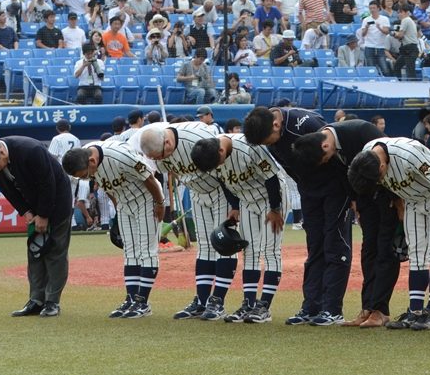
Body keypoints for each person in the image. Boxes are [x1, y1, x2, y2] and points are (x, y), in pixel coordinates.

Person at [243, 105, 347, 325]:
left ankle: (332, 309)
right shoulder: (267, 133)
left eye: (269, 140)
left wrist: (352, 195)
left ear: (276, 124)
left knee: (334, 247)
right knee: (315, 247)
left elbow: (339, 157)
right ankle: (311, 306)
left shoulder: (306, 125)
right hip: (309, 191)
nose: (270, 145)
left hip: (335, 189)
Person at [291, 118, 393, 327]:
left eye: (325, 158)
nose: (327, 161)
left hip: (387, 194)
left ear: (326, 146)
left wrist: (397, 201)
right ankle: (367, 308)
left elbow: (391, 164)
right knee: (369, 251)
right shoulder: (318, 142)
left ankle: (380, 309)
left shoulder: (363, 132)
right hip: (363, 198)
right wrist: (355, 201)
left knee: (385, 250)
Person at [347, 135, 430, 331]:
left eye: (379, 178)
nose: (380, 181)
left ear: (381, 167)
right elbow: (389, 187)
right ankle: (414, 312)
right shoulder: (367, 154)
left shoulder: (409, 154)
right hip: (411, 202)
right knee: (416, 256)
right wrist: (399, 205)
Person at [136, 121, 234, 321]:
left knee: (224, 246)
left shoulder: (196, 139)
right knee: (205, 247)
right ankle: (203, 300)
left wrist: (235, 204)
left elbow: (225, 168)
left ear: (168, 144)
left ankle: (218, 303)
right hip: (198, 194)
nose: (159, 160)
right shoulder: (159, 152)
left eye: (159, 156)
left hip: (222, 193)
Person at [191, 132, 289, 323]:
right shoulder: (211, 154)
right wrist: (234, 207)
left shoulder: (250, 146)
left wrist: (275, 208)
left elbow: (271, 178)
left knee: (270, 251)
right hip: (246, 201)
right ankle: (249, 304)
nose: (217, 167)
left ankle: (264, 307)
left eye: (217, 162)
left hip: (272, 199)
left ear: (221, 149)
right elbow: (224, 183)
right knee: (249, 252)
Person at [62, 141, 165, 319]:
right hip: (125, 203)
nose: (86, 178)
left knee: (147, 251)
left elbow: (149, 178)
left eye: (85, 174)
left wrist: (160, 203)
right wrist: (118, 208)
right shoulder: (88, 159)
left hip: (147, 200)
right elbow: (107, 186)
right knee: (130, 252)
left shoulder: (120, 156)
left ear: (92, 162)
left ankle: (142, 302)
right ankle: (132, 298)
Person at [0, 137, 73, 318]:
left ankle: (52, 302)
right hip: (33, 204)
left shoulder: (31, 150)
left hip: (58, 202)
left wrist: (43, 215)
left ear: (2, 153)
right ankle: (36, 300)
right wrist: (25, 211)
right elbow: (7, 189)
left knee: (55, 251)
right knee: (35, 250)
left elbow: (47, 183)